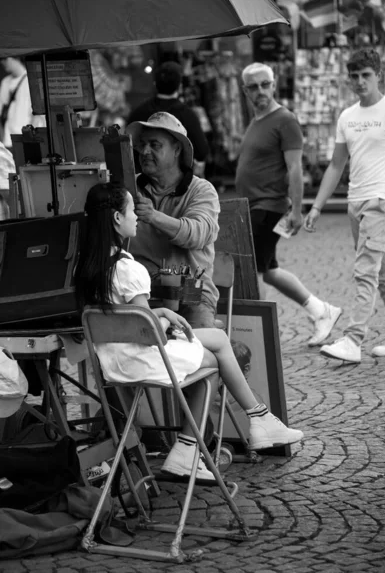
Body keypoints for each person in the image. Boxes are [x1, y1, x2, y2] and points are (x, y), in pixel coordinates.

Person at [75, 183, 304, 480]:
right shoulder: (129, 270)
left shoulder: (89, 267)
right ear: (118, 218)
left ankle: (254, 421)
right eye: (132, 210)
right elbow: (148, 332)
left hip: (113, 362)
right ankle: (197, 445)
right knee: (212, 362)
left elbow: (122, 315)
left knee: (217, 343)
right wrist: (167, 319)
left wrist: (162, 312)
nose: (136, 217)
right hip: (141, 359)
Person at [236, 62, 341, 347]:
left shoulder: (285, 120)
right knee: (268, 270)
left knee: (254, 270)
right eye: (253, 86)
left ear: (274, 84)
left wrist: (296, 210)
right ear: (245, 91)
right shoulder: (258, 121)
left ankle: (254, 339)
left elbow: (294, 168)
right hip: (253, 207)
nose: (260, 91)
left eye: (264, 84)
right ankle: (321, 311)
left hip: (268, 206)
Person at [305, 48, 385, 363]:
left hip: (381, 200)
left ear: (379, 75)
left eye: (366, 76)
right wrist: (317, 206)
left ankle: (354, 338)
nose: (360, 82)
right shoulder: (347, 116)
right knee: (382, 272)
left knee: (365, 271)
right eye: (355, 76)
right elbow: (336, 165)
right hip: (354, 203)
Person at [126, 111, 218, 329]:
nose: (145, 151)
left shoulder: (201, 190)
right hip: (142, 290)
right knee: (123, 347)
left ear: (177, 149)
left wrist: (153, 216)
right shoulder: (129, 188)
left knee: (196, 347)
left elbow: (197, 234)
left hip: (191, 288)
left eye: (155, 145)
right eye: (142, 145)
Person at [126, 61, 209, 169]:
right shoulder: (187, 114)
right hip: (175, 180)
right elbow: (201, 151)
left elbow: (126, 148)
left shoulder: (138, 112)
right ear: (179, 86)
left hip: (139, 177)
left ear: (155, 84)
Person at [0, 57, 43, 151]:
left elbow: (38, 114)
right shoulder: (5, 82)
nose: (2, 62)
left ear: (15, 57)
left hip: (28, 138)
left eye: (4, 58)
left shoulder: (32, 79)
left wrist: (31, 136)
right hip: (8, 139)